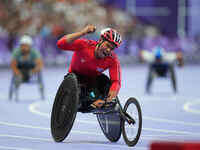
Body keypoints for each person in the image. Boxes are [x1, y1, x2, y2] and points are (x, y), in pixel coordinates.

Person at [56, 25, 122, 109]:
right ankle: (90, 101)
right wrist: (83, 32)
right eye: (107, 45)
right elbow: (60, 44)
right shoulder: (85, 45)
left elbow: (116, 81)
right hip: (74, 78)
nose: (109, 50)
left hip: (91, 85)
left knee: (105, 82)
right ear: (101, 40)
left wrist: (111, 98)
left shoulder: (112, 59)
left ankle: (96, 102)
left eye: (112, 49)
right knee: (83, 93)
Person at [10, 35, 44, 99]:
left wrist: (34, 71)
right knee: (17, 77)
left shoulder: (34, 52)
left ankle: (42, 92)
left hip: (31, 68)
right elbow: (13, 65)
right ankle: (18, 83)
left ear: (30, 46)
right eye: (22, 45)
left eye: (26, 45)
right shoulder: (16, 52)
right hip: (20, 68)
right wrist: (18, 73)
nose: (24, 47)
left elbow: (40, 64)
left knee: (39, 72)